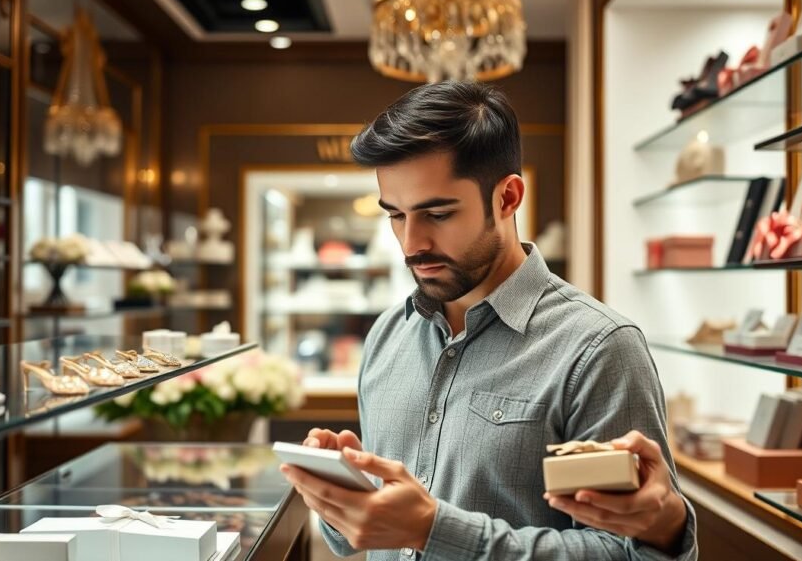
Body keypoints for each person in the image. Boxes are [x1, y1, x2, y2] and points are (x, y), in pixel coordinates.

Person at [279, 81, 697, 560]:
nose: (411, 243)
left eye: (437, 213)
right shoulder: (386, 337)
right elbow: (361, 539)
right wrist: (345, 495)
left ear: (507, 197)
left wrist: (436, 529)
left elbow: (632, 554)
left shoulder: (597, 349)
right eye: (395, 215)